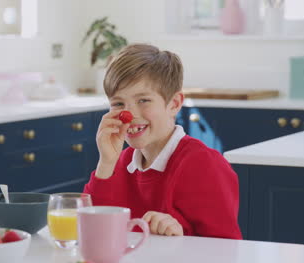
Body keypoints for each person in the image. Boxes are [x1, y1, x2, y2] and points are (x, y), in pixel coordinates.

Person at [83, 43, 242, 239]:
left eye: (143, 100)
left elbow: (226, 250)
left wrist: (181, 237)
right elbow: (94, 231)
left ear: (174, 104)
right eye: (118, 104)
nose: (128, 115)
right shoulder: (120, 162)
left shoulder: (204, 165)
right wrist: (106, 162)